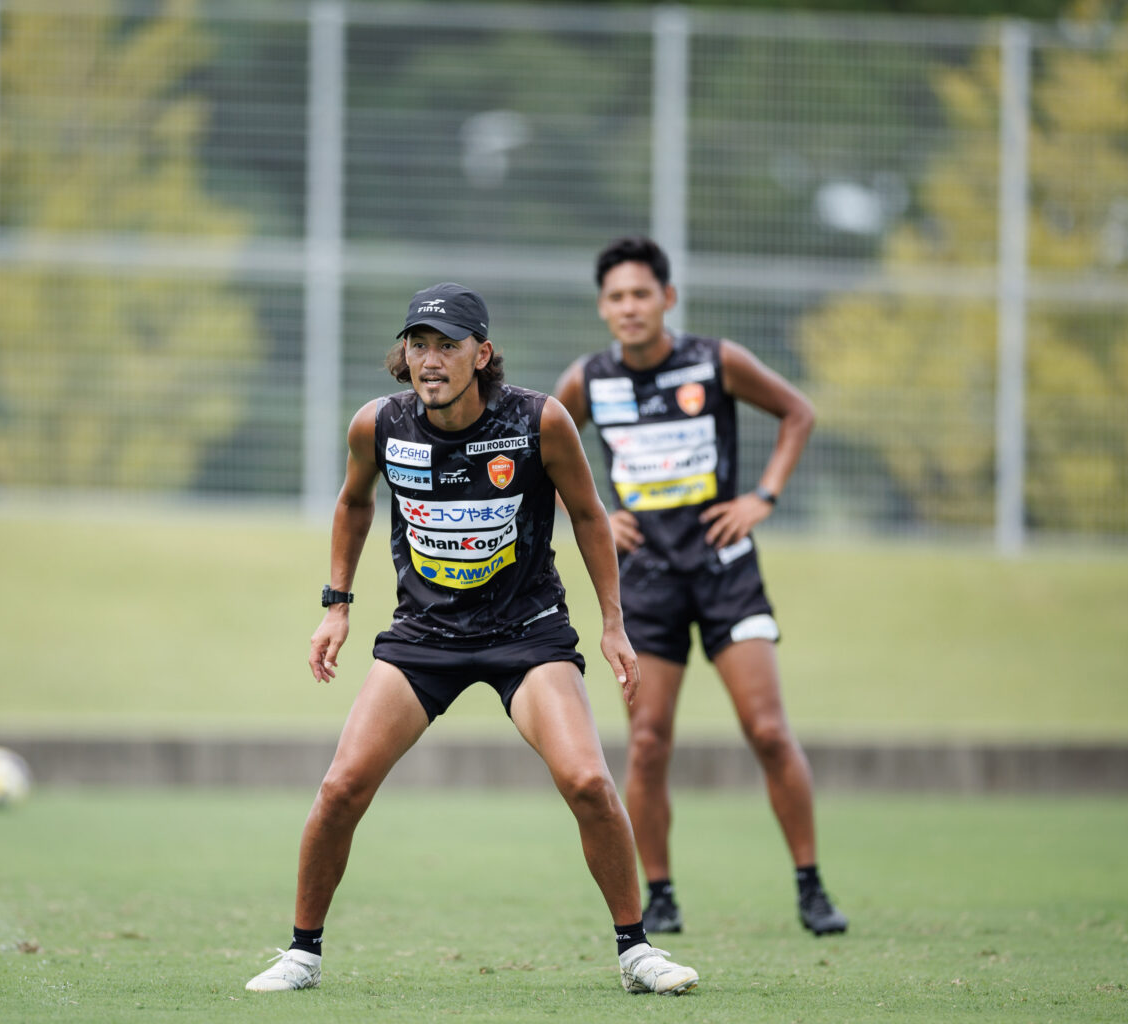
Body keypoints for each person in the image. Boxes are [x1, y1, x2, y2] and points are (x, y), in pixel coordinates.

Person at [245, 282, 699, 995]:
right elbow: (353, 502)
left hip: (528, 633)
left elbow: (587, 513)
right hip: (424, 635)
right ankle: (302, 954)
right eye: (418, 344)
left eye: (447, 346)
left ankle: (637, 952)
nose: (429, 359)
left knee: (586, 781)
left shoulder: (540, 422)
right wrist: (336, 605)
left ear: (480, 355)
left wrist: (613, 624)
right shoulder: (378, 425)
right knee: (341, 787)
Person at [554, 237, 848, 937]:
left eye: (641, 294)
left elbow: (797, 412)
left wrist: (762, 498)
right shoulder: (588, 381)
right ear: (603, 307)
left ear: (667, 299)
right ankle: (660, 895)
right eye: (617, 297)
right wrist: (590, 517)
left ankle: (810, 885)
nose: (629, 307)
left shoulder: (715, 362)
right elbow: (542, 452)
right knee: (649, 742)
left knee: (769, 731)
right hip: (647, 584)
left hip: (726, 573)